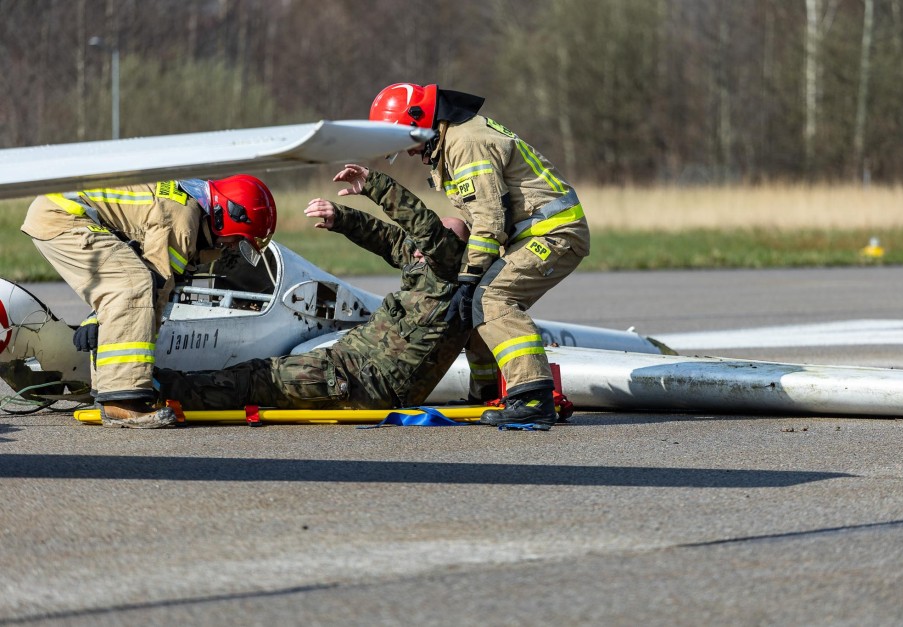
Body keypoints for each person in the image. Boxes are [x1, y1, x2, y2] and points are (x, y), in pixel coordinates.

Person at [153, 164, 471, 413]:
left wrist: (376, 184)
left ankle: (159, 390)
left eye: (426, 244)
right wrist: (340, 217)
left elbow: (425, 229)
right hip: (352, 363)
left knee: (256, 379)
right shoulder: (428, 265)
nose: (415, 248)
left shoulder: (445, 270)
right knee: (256, 374)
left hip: (362, 380)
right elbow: (389, 239)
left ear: (446, 249)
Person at [369, 83, 590, 430]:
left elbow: (490, 220)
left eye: (405, 140)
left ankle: (533, 398)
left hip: (555, 233)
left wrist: (470, 277)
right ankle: (487, 392)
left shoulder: (465, 142)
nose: (408, 152)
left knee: (492, 299)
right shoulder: (453, 140)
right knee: (469, 302)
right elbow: (482, 217)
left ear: (420, 120)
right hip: (527, 233)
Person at [21, 175, 277, 428]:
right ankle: (121, 401)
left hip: (62, 211)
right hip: (62, 215)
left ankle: (110, 392)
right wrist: (139, 373)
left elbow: (131, 279)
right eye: (238, 240)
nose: (233, 248)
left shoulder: (189, 210)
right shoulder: (182, 220)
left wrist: (101, 318)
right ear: (227, 215)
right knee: (134, 283)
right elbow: (155, 289)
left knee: (132, 284)